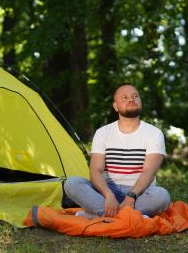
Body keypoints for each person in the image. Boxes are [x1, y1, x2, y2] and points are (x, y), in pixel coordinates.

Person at [64, 83, 170, 219]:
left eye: (135, 96)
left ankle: (100, 214)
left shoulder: (154, 133)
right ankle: (128, 215)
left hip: (139, 193)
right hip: (107, 191)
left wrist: (130, 197)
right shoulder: (103, 133)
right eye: (124, 97)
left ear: (140, 102)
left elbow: (149, 172)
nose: (131, 99)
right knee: (72, 183)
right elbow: (95, 170)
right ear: (115, 106)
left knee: (161, 196)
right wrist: (108, 195)